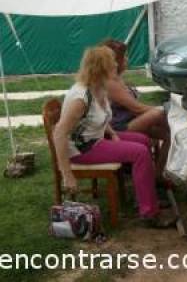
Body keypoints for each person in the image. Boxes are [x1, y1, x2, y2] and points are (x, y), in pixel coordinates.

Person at [53, 46, 168, 227]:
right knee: (140, 153)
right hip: (83, 149)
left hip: (96, 139)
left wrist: (113, 133)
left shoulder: (98, 87)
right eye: (112, 61)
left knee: (144, 141)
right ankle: (149, 213)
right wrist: (66, 174)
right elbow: (59, 133)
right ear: (101, 67)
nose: (116, 63)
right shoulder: (80, 97)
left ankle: (145, 194)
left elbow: (99, 117)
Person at [102, 39, 169, 183]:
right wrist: (164, 111)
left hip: (128, 121)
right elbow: (137, 108)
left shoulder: (117, 78)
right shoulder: (109, 83)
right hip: (116, 129)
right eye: (124, 56)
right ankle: (154, 178)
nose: (127, 59)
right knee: (159, 114)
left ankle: (157, 175)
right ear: (114, 60)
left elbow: (135, 107)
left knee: (169, 135)